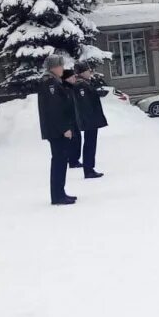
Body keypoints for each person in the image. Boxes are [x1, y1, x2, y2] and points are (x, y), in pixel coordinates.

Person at [37, 55, 77, 205]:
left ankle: (60, 192)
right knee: (59, 162)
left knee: (61, 161)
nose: (62, 69)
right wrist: (64, 128)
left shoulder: (54, 82)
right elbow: (54, 109)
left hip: (56, 130)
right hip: (56, 131)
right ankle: (58, 195)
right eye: (60, 66)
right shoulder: (50, 83)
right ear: (53, 67)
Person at [72, 62, 108, 179]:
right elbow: (84, 104)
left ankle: (89, 168)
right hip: (89, 119)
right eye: (88, 70)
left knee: (90, 143)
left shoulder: (85, 83)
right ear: (82, 72)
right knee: (89, 144)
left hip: (90, 118)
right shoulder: (81, 85)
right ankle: (88, 169)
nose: (90, 72)